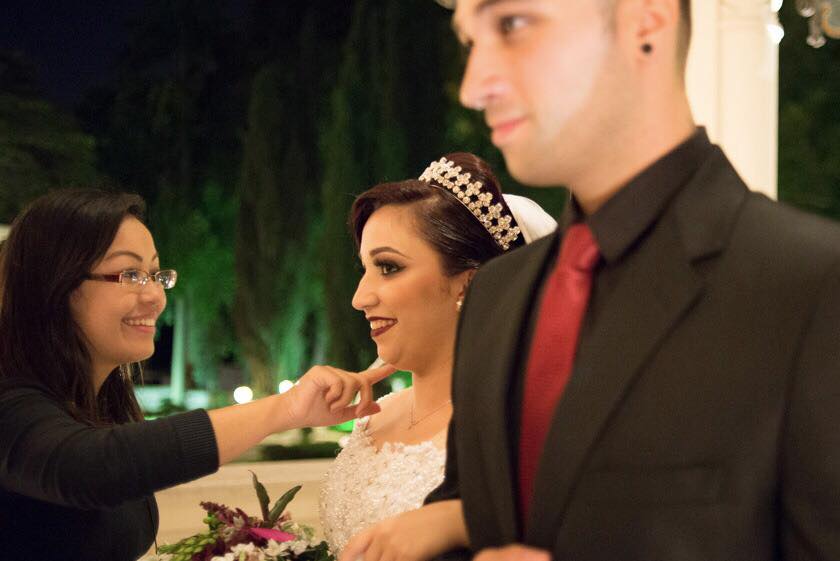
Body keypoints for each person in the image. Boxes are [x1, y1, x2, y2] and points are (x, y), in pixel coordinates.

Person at [341, 1, 840, 560]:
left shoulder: (811, 286)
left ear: (646, 22)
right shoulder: (499, 295)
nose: (474, 87)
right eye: (470, 42)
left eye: (511, 26)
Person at [0, 189, 394, 561]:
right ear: (54, 284)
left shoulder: (102, 408)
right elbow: (91, 468)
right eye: (130, 274)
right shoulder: (11, 402)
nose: (155, 297)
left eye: (156, 275)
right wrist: (286, 409)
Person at [318, 152, 556, 556]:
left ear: (471, 283)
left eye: (388, 267)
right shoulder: (373, 417)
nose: (360, 298)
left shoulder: (518, 429)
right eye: (364, 269)